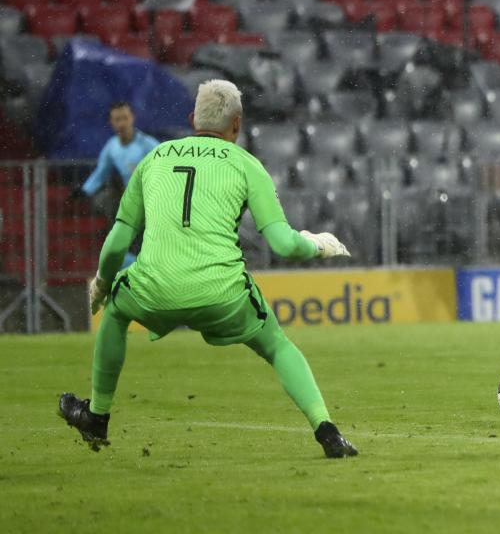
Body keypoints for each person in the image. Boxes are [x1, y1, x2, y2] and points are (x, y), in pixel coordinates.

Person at [58, 80, 358, 458]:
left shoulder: (154, 158)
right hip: (223, 293)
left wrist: (102, 283)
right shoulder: (247, 164)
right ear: (237, 124)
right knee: (277, 345)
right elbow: (283, 244)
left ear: (191, 119)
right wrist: (319, 245)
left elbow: (118, 242)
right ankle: (327, 432)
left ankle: (97, 416)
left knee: (116, 312)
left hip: (154, 288)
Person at [76, 102, 160, 268]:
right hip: (130, 207)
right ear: (111, 123)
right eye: (117, 119)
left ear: (132, 118)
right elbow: (101, 172)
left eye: (125, 118)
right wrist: (84, 191)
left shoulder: (148, 144)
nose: (122, 123)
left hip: (154, 205)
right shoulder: (112, 147)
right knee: (124, 251)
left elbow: (167, 165)